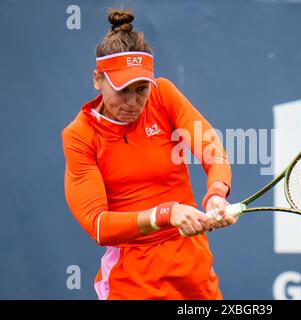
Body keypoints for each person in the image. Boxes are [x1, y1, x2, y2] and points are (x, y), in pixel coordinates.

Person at [61, 9, 238, 300]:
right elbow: (98, 225)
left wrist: (217, 193)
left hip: (193, 268)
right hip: (132, 279)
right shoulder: (79, 136)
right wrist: (164, 214)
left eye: (141, 89)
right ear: (97, 79)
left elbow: (212, 150)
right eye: (123, 91)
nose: (134, 102)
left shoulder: (163, 95)